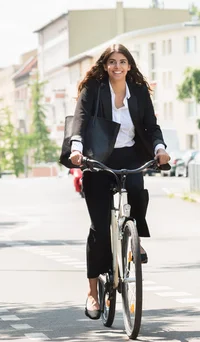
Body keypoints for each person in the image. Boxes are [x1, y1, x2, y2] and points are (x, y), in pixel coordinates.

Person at [68, 43, 171, 320]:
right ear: (105, 65)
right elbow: (80, 119)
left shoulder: (137, 91)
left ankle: (133, 241)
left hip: (129, 154)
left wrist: (160, 148)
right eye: (112, 61)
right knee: (100, 228)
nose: (117, 66)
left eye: (122, 61)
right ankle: (92, 292)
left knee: (137, 190)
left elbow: (151, 125)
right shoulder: (94, 89)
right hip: (97, 156)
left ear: (129, 65)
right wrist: (77, 148)